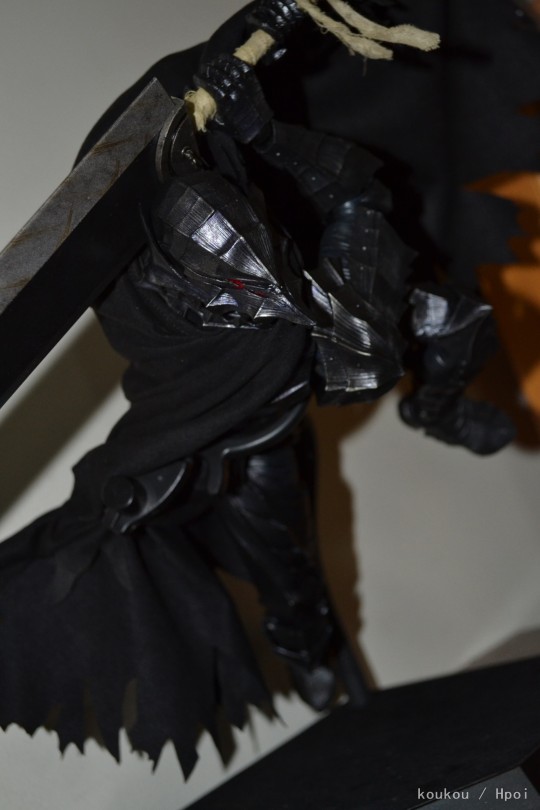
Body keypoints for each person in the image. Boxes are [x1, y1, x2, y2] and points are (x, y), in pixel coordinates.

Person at [0, 0, 515, 777]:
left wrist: (267, 130)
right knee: (290, 570)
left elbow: (354, 185)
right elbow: (162, 428)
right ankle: (306, 647)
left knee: (461, 318)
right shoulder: (169, 338)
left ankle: (434, 408)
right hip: (256, 431)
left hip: (324, 319)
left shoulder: (252, 200)